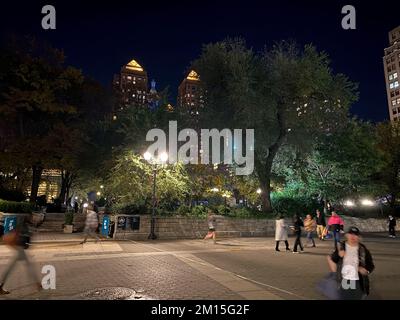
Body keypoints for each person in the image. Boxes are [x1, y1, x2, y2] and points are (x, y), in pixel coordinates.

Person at [327, 226, 375, 300]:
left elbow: (371, 265)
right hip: (345, 279)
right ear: (347, 235)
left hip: (358, 280)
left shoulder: (363, 249)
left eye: (355, 235)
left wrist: (366, 270)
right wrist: (338, 254)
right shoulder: (341, 247)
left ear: (359, 237)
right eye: (350, 234)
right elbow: (333, 259)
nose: (353, 236)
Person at [0, 217, 41, 295]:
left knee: (16, 266)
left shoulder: (26, 224)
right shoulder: (23, 224)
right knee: (25, 266)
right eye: (34, 218)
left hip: (18, 247)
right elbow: (20, 236)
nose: (35, 219)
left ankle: (37, 283)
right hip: (18, 247)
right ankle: (37, 283)